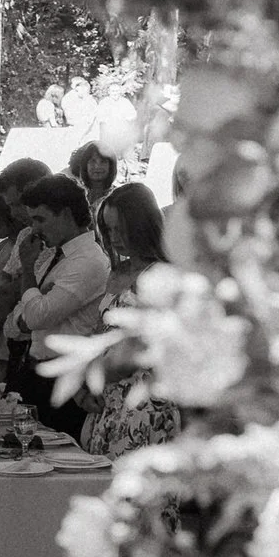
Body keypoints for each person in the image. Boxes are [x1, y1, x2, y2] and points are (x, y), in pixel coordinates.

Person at [5, 173, 111, 444]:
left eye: (40, 219)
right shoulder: (52, 254)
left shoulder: (87, 261)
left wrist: (28, 273)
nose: (35, 230)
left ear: (64, 214)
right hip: (34, 371)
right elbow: (18, 321)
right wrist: (32, 306)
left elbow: (36, 316)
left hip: (66, 382)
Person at [81, 180, 182, 457]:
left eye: (120, 229)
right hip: (108, 401)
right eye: (108, 229)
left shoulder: (161, 275)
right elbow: (97, 333)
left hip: (144, 405)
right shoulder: (118, 272)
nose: (114, 237)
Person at [0, 158, 53, 379]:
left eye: (15, 205)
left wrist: (11, 287)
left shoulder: (44, 241)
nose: (14, 212)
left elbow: (13, 295)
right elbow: (3, 288)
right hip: (6, 343)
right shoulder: (22, 238)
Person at [66, 139, 120, 218]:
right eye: (93, 161)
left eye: (103, 162)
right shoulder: (75, 195)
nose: (97, 166)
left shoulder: (118, 196)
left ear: (111, 166)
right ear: (85, 165)